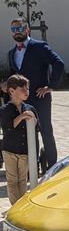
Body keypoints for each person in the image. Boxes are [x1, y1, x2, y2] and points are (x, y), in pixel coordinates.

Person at [7, 18, 64, 170]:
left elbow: (58, 63)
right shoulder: (11, 53)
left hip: (40, 98)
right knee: (28, 133)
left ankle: (53, 168)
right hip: (22, 101)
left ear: (27, 30)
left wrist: (50, 86)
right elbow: (15, 76)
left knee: (46, 131)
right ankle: (33, 167)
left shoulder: (39, 47)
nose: (17, 32)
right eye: (13, 29)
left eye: (20, 28)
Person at [0, 75, 38, 204]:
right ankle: (14, 205)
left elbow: (36, 129)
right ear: (11, 91)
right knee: (12, 179)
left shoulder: (30, 108)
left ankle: (21, 205)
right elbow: (7, 128)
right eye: (22, 89)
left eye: (27, 88)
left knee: (22, 179)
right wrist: (21, 117)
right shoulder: (5, 109)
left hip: (25, 150)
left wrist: (33, 119)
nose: (26, 91)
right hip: (9, 150)